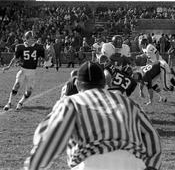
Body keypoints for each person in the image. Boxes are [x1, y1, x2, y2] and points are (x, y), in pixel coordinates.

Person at [24, 61, 162, 170]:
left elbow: (49, 141)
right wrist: (151, 166)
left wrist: (33, 165)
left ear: (77, 84)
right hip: (133, 163)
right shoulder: (128, 102)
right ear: (105, 83)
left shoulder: (71, 103)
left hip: (90, 163)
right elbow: (151, 134)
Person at [2, 31, 45, 111]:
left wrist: (48, 59)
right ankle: (9, 103)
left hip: (32, 72)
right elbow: (15, 58)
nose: (33, 39)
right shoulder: (20, 47)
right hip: (23, 70)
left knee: (29, 91)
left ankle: (20, 103)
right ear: (27, 39)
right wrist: (8, 66)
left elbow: (44, 57)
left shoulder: (38, 47)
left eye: (33, 38)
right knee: (17, 85)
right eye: (31, 38)